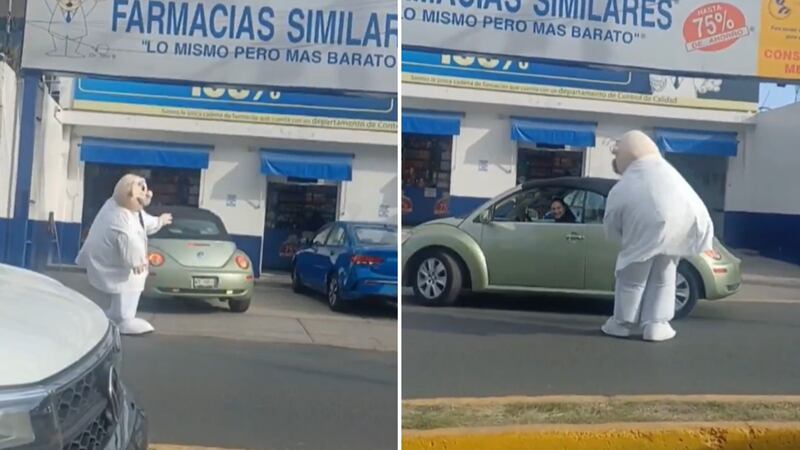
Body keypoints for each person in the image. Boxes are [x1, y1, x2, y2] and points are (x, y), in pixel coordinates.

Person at [601, 130, 714, 342]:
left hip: (644, 232)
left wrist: (621, 238)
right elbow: (695, 205)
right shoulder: (670, 174)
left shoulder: (628, 182)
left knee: (632, 278)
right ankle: (657, 324)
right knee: (664, 276)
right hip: (678, 230)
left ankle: (622, 323)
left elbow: (612, 219)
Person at [76, 174, 172, 335]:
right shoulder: (119, 215)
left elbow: (145, 222)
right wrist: (136, 261)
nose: (147, 194)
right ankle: (125, 318)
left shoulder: (131, 211)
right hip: (113, 262)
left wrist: (160, 221)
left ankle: (114, 314)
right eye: (140, 190)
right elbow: (128, 239)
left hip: (117, 261)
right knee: (131, 281)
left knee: (128, 283)